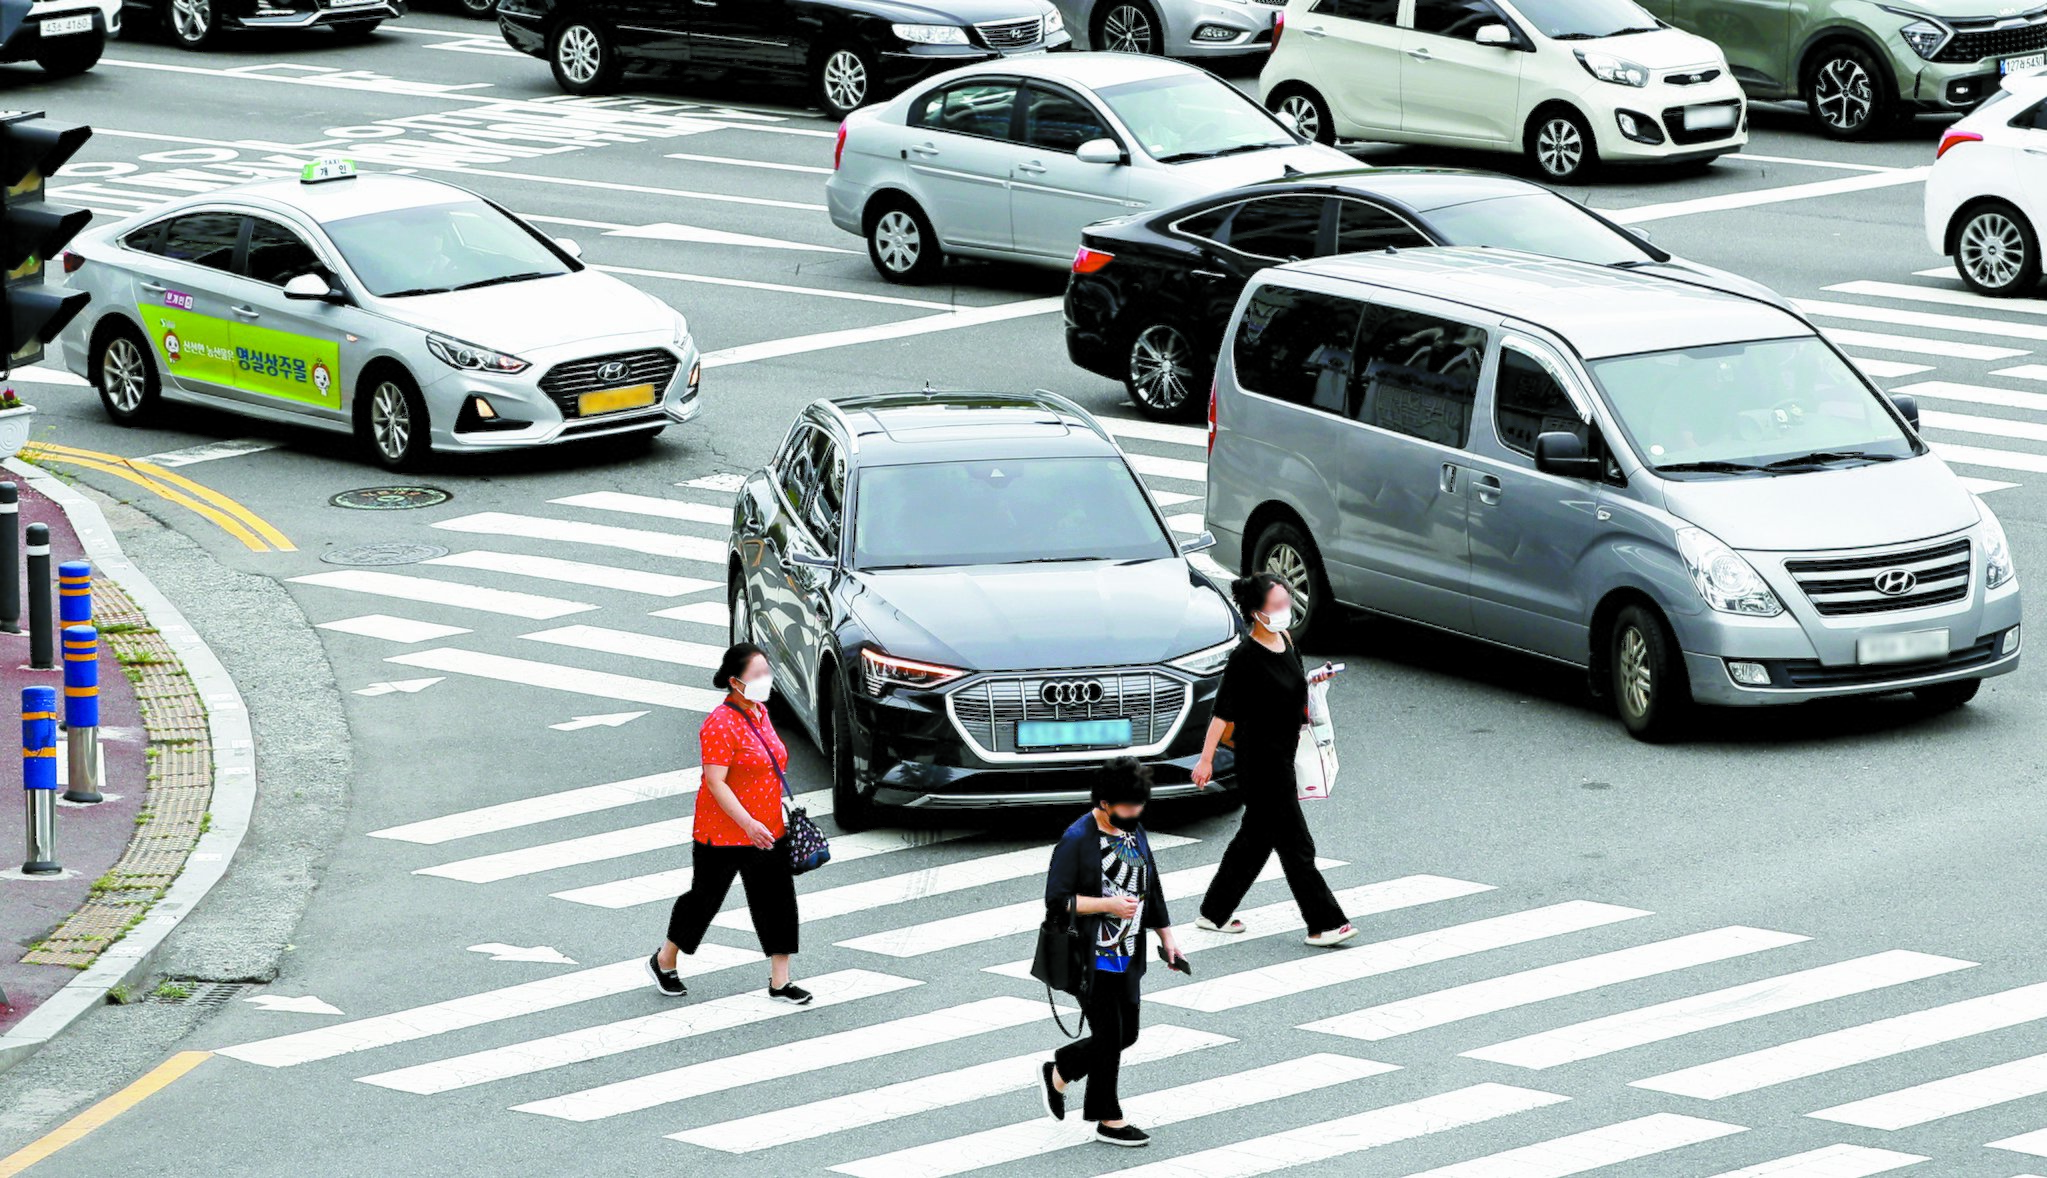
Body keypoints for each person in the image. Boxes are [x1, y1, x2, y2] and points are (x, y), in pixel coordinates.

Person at [1191, 573, 1357, 948]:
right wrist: (1205, 761)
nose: (1286, 610)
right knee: (1297, 845)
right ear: (1257, 613)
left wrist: (1315, 680)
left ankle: (1214, 912)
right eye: (1277, 605)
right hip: (1260, 764)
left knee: (1255, 840)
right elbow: (1222, 713)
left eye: (1287, 601)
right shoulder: (1245, 658)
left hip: (1284, 755)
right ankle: (1324, 923)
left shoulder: (1285, 640)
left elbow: (1292, 688)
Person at [649, 642, 811, 1006]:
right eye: (757, 675)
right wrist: (748, 822)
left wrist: (762, 820)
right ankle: (665, 959)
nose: (766, 680)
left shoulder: (761, 712)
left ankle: (780, 982)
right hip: (721, 833)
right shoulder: (719, 724)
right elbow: (715, 782)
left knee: (778, 901)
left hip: (768, 828)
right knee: (703, 901)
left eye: (766, 672)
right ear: (736, 682)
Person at [1038, 758, 1186, 1149]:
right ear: (1104, 803)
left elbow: (1151, 888)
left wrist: (1167, 939)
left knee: (1128, 1034)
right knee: (1108, 1038)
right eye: (1128, 806)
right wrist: (1106, 906)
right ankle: (1109, 1119)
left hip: (1129, 951)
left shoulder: (1133, 831)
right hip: (1091, 957)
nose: (1136, 812)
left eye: (1140, 805)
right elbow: (1057, 902)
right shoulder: (1077, 839)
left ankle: (1063, 1068)